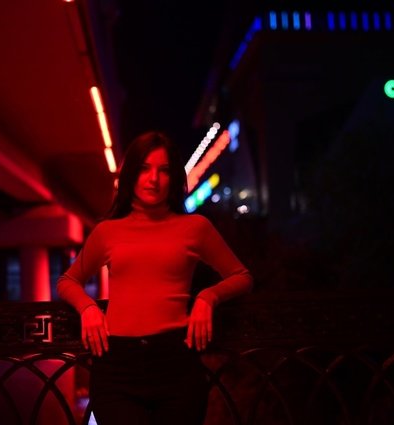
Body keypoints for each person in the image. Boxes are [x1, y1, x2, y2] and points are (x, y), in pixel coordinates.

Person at [56, 131, 253, 425]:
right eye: (144, 169)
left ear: (173, 178)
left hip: (177, 363)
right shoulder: (107, 231)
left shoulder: (195, 227)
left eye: (164, 170)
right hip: (117, 367)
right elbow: (67, 281)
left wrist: (208, 297)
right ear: (131, 175)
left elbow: (242, 276)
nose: (154, 179)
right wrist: (88, 308)